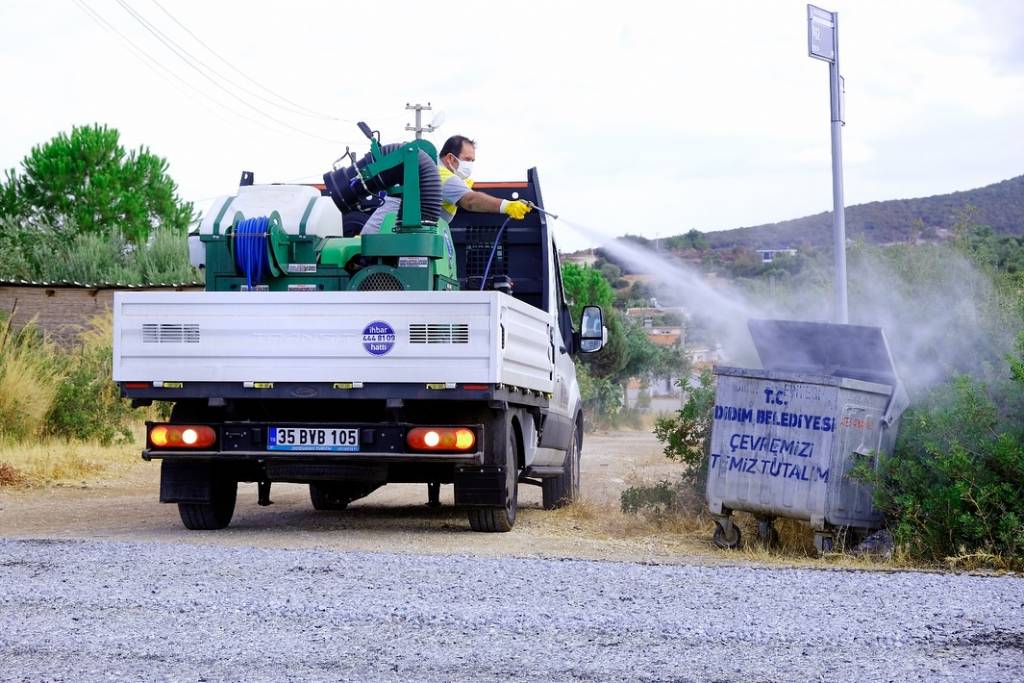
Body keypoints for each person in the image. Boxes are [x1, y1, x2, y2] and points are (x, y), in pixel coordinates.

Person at [437, 135, 532, 224]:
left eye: (472, 161)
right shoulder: (442, 176)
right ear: (450, 158)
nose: (469, 164)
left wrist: (462, 186)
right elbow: (471, 201)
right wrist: (507, 206)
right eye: (467, 159)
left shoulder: (438, 173)